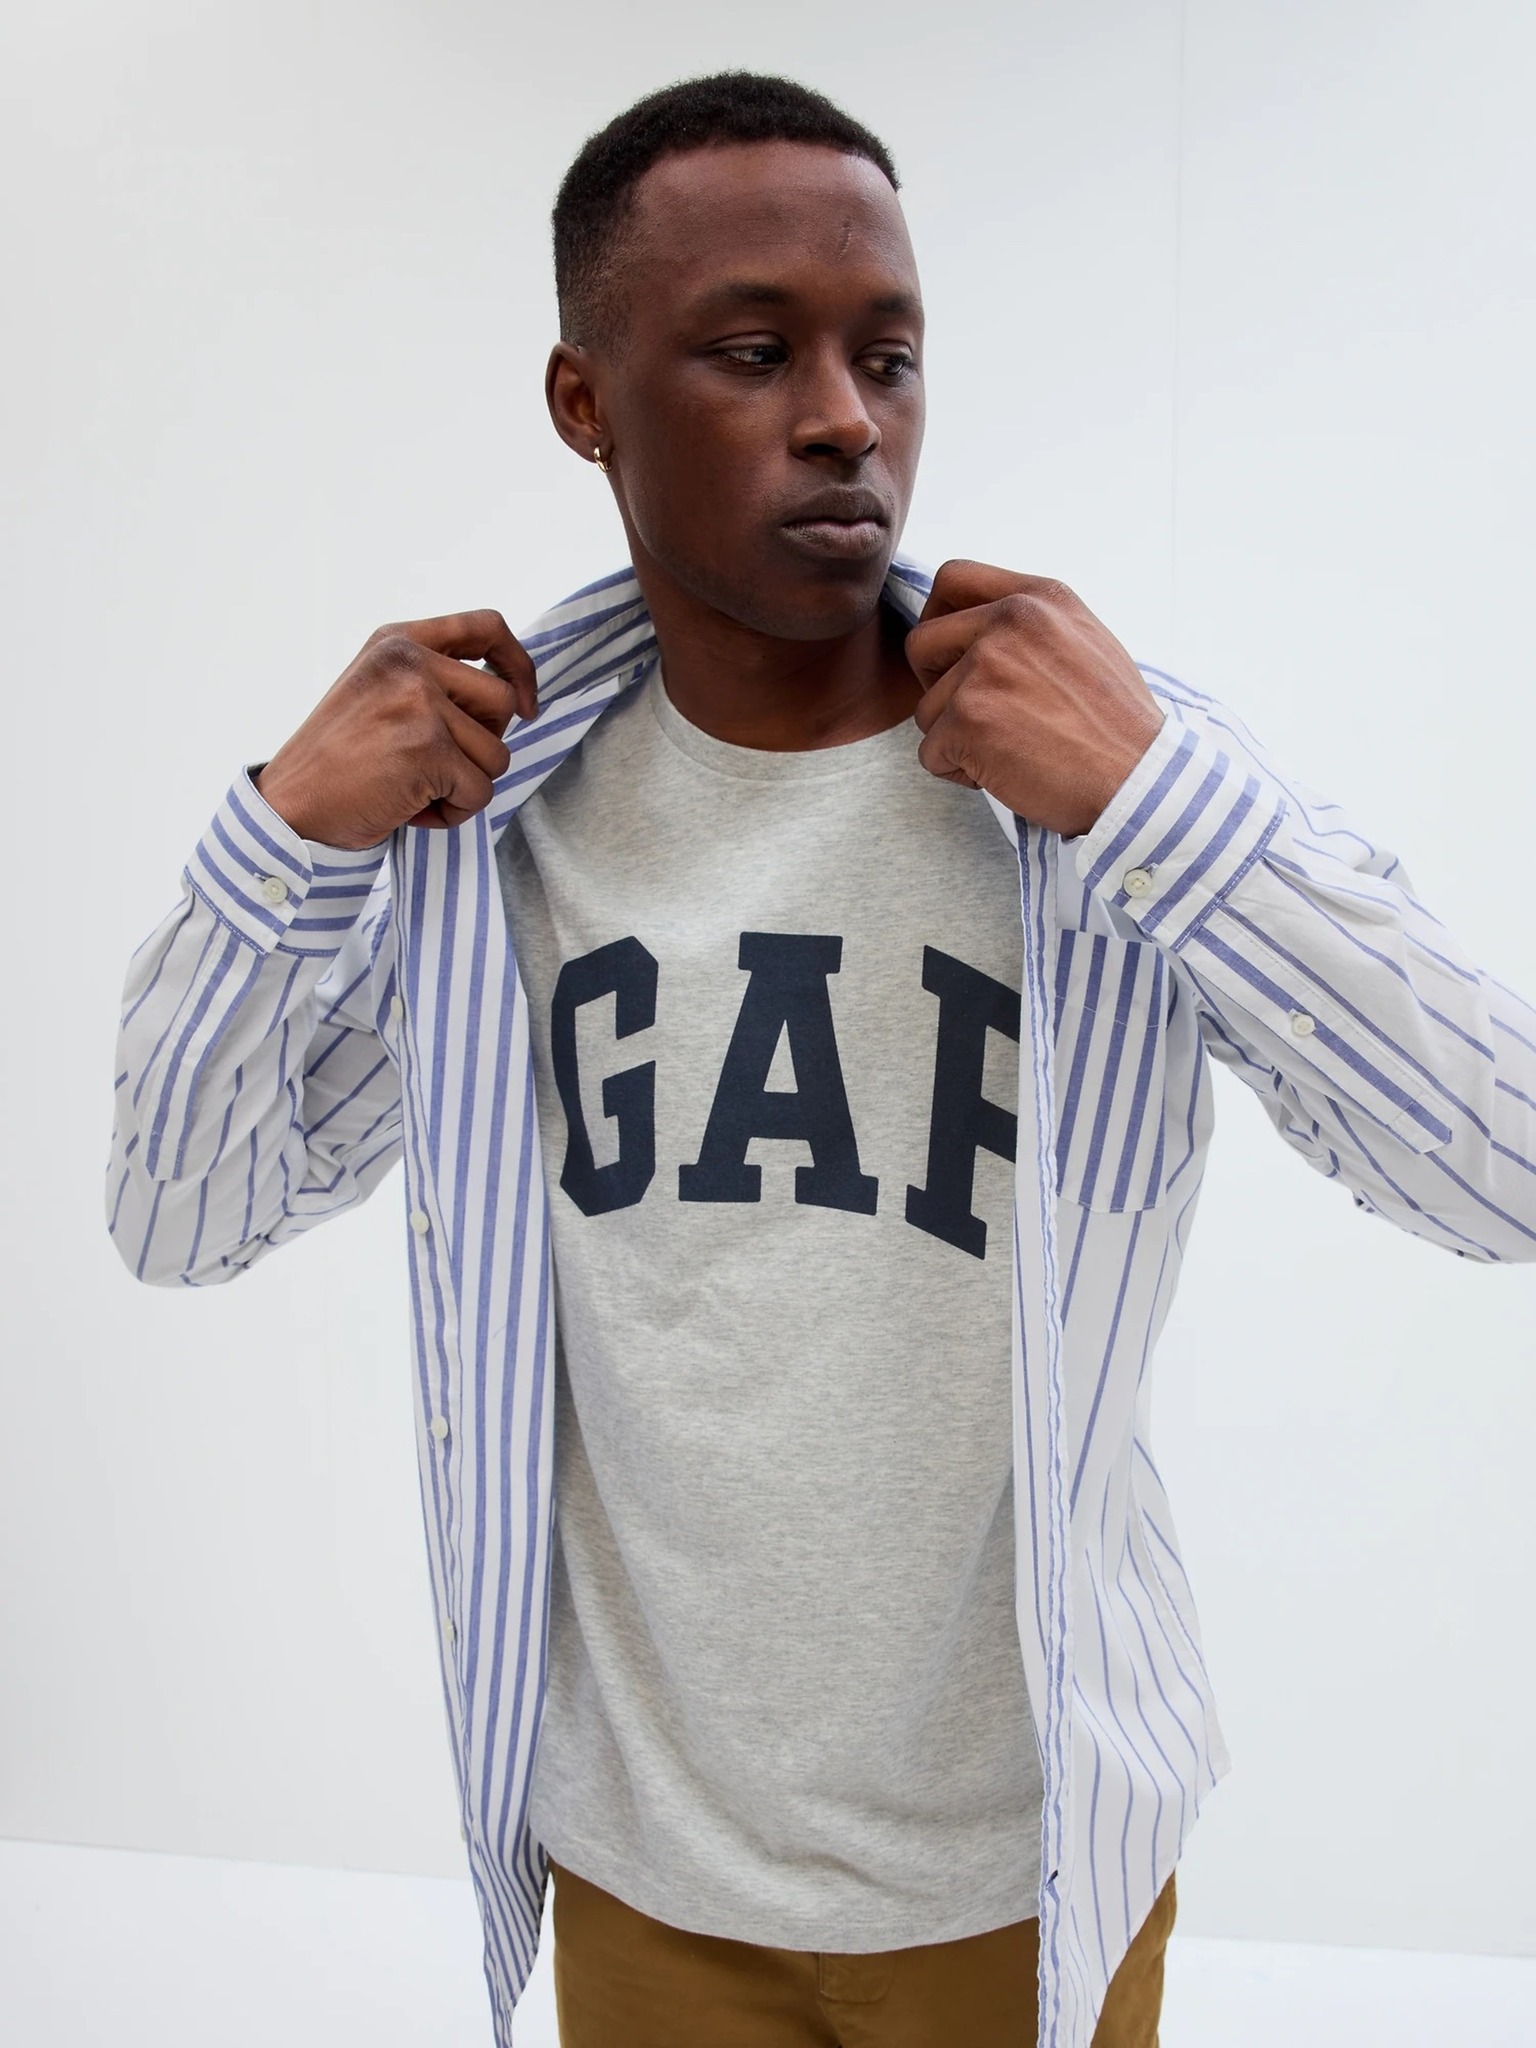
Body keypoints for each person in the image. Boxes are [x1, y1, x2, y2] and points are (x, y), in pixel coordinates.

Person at [106, 70, 1536, 2048]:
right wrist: (279, 838)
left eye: (889, 353)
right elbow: (180, 1216)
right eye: (754, 350)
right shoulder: (483, 837)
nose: (849, 415)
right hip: (648, 1882)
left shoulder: (1109, 782)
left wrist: (1155, 805)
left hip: (1029, 1880)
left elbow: (1503, 1170)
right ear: (586, 402)